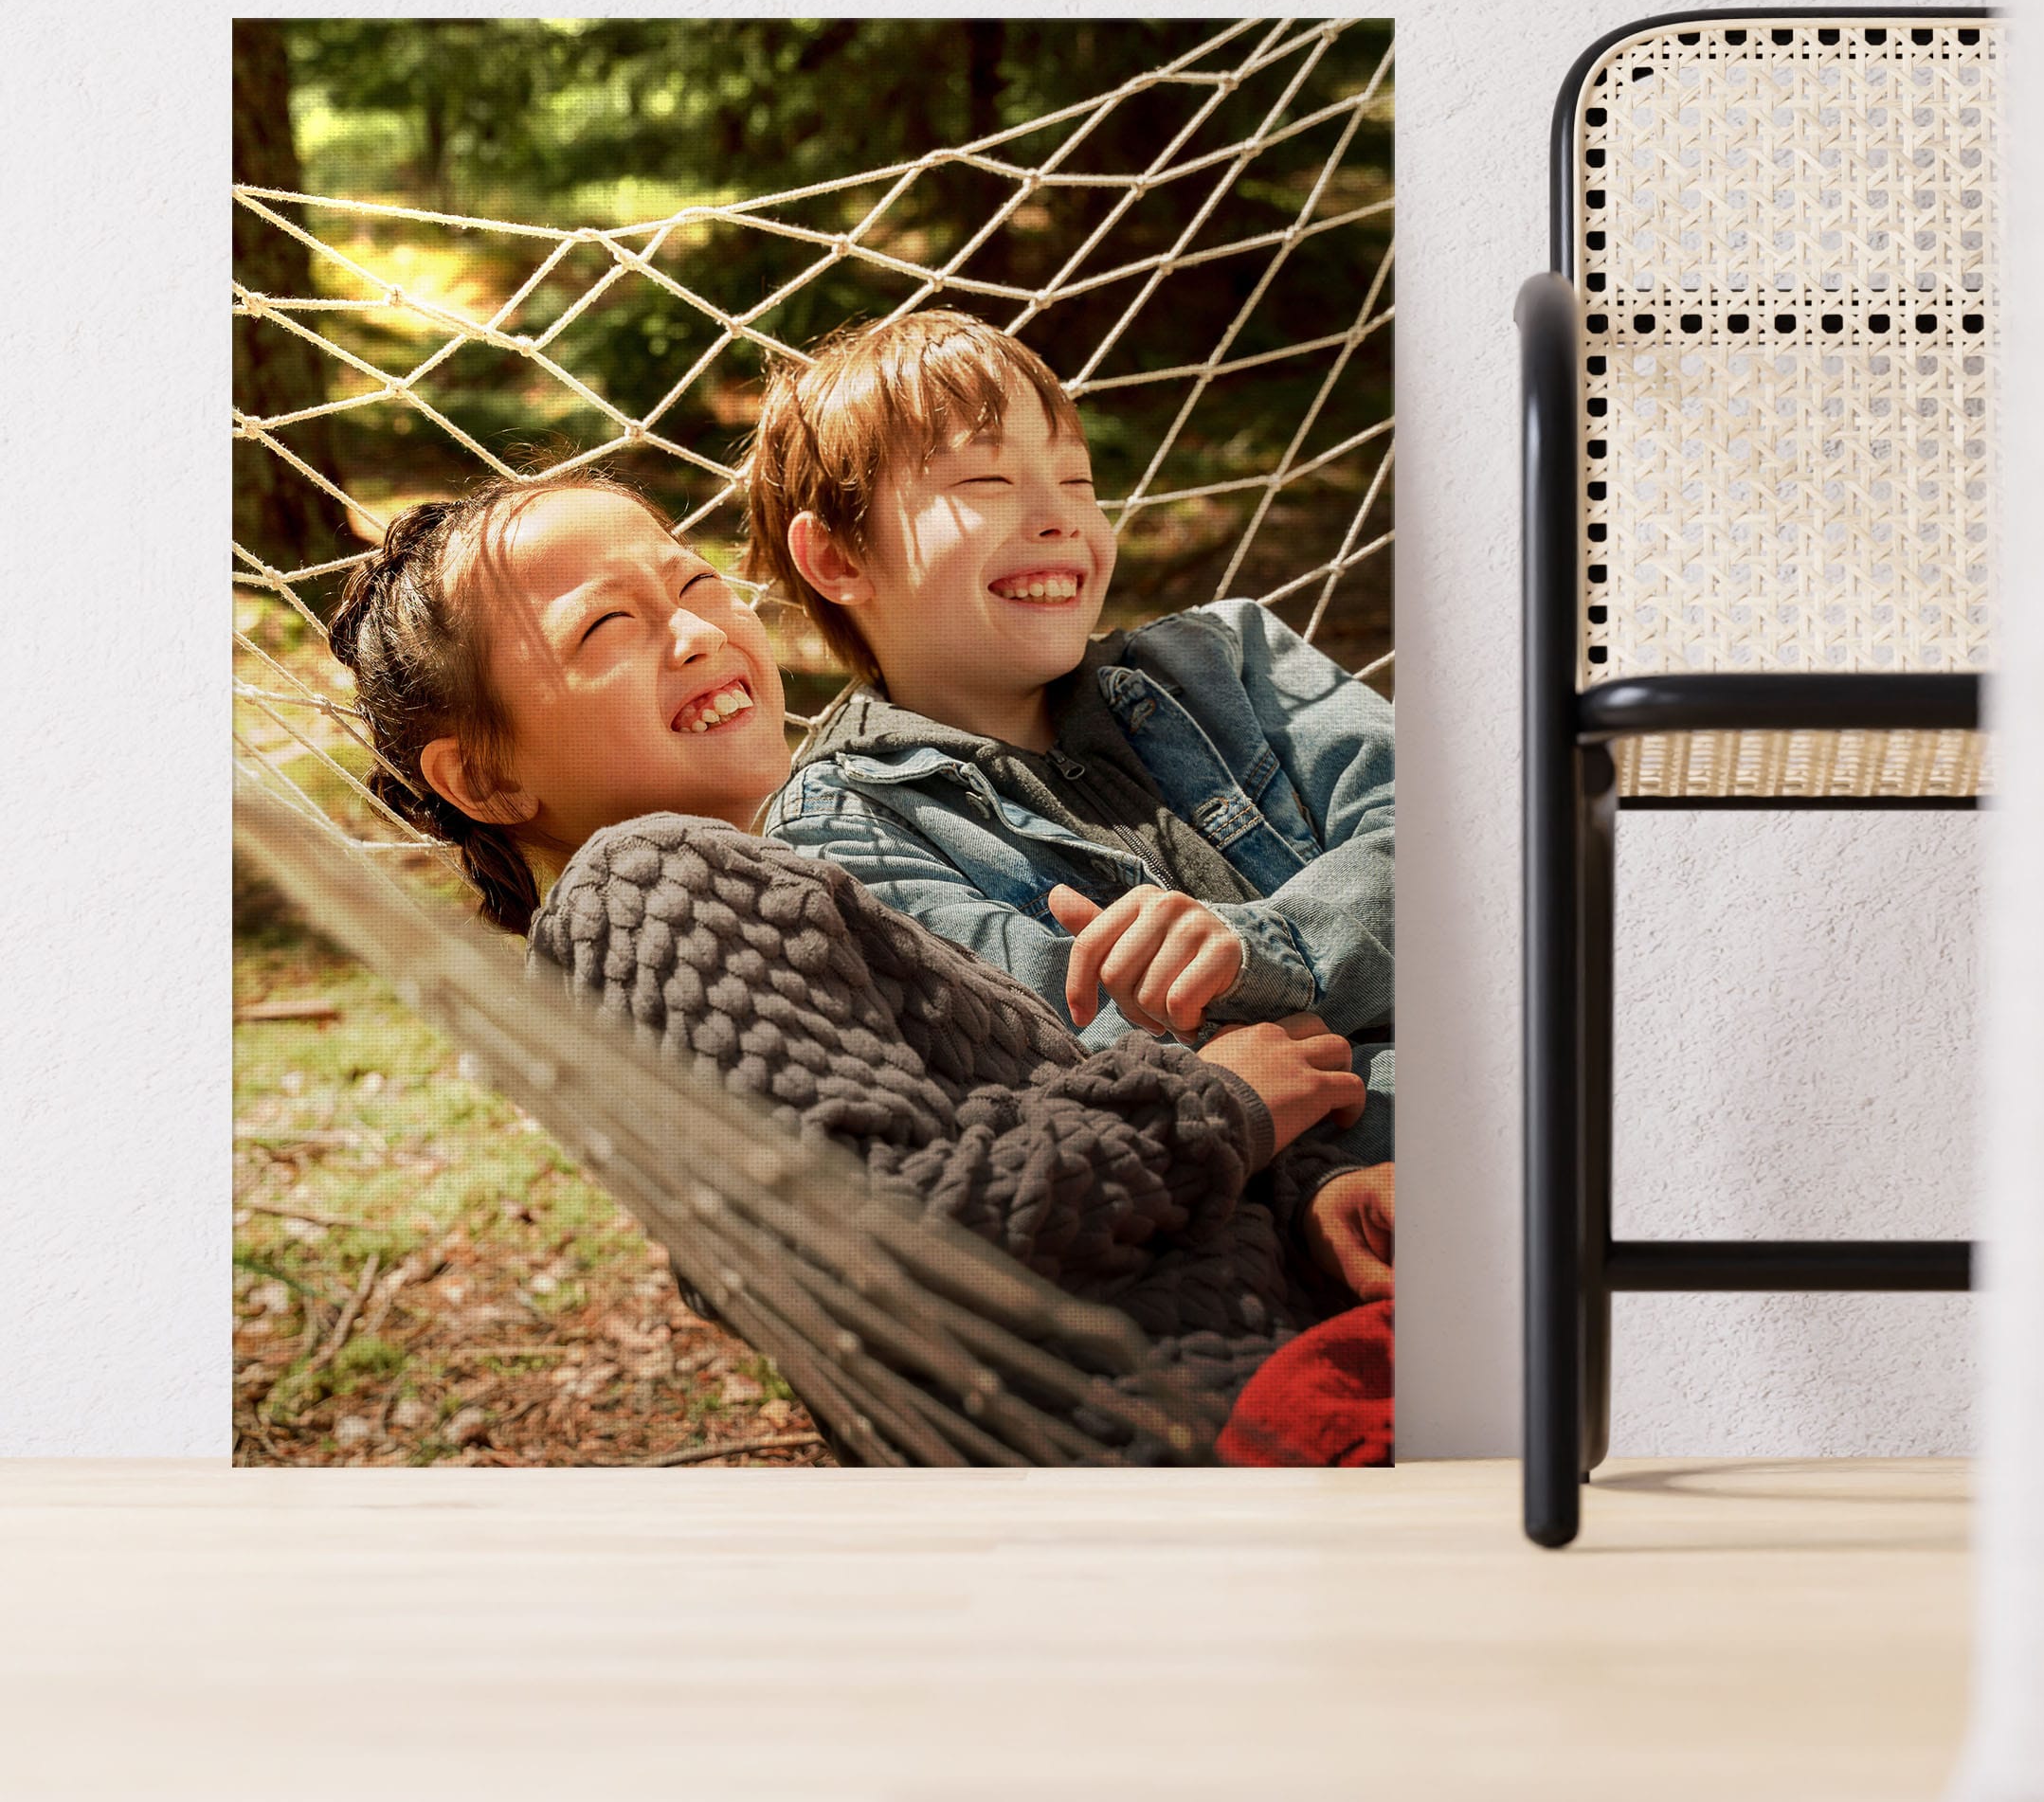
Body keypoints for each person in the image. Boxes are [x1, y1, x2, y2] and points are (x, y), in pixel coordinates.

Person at [321, 476, 1393, 1428]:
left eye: (693, 586)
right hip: (1216, 1420)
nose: (695, 633)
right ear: (486, 783)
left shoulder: (795, 888)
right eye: (606, 628)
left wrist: (1301, 1190)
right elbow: (883, 1241)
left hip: (1265, 1363)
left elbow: (1024, 1158)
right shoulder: (647, 885)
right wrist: (1211, 1105)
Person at [738, 308, 1397, 1171]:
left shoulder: (1228, 659)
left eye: (1079, 483)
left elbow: (1455, 846)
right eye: (986, 484)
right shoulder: (844, 832)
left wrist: (1265, 949)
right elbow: (1045, 1052)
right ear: (837, 561)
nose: (1059, 518)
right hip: (1301, 1194)